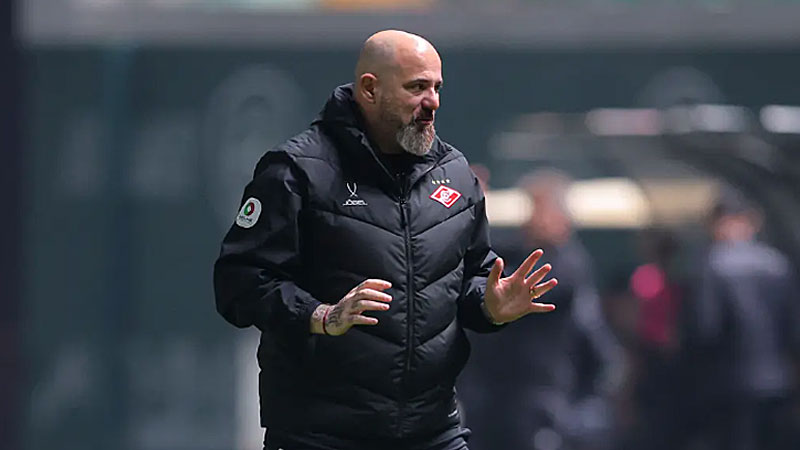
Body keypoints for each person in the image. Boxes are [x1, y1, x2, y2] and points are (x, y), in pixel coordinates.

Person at [213, 30, 558, 450]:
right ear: (370, 89)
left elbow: (469, 277)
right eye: (416, 87)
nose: (432, 101)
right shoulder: (297, 171)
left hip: (433, 432)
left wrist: (491, 305)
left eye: (437, 88)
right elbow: (239, 283)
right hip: (319, 435)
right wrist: (321, 315)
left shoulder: (454, 174)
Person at [459, 170, 623, 450]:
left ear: (562, 218)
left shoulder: (566, 266)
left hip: (539, 405)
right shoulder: (519, 252)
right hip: (495, 402)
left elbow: (509, 284)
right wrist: (471, 215)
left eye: (538, 209)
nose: (530, 219)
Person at [681, 187, 799, 450]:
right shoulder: (778, 264)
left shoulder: (713, 264)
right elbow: (794, 327)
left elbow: (704, 329)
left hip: (728, 384)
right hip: (778, 381)